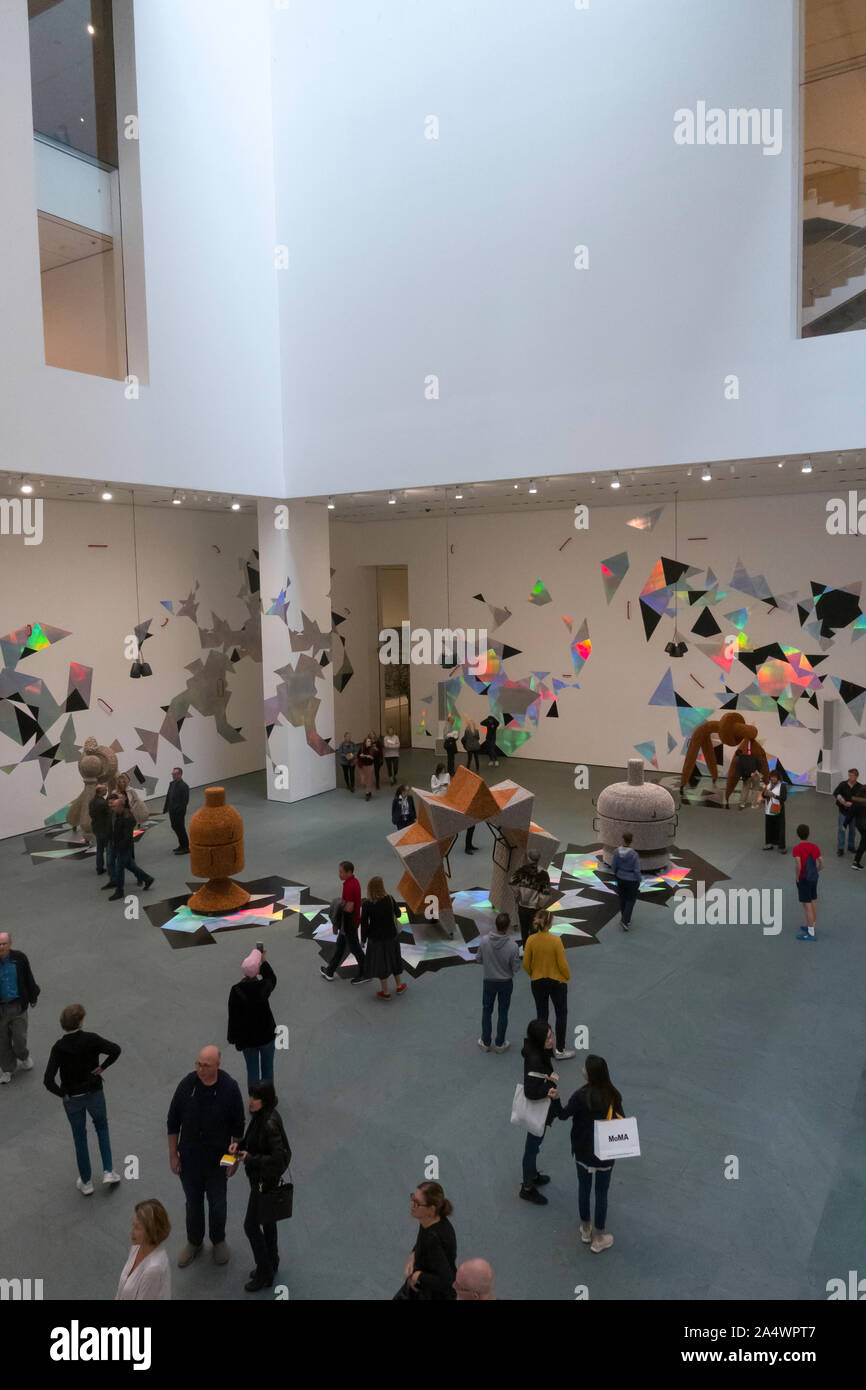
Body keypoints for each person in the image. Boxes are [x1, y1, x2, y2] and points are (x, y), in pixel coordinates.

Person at [167, 1045, 245, 1268]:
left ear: (217, 1065)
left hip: (217, 1162)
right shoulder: (187, 1085)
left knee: (218, 1203)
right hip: (190, 1160)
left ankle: (218, 1240)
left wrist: (234, 1160)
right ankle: (194, 1242)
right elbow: (173, 1123)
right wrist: (173, 1154)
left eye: (205, 1065)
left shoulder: (230, 1088)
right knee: (193, 1204)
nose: (200, 1069)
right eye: (198, 1064)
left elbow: (238, 1129)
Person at [43, 1003, 122, 1193]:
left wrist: (64, 1094)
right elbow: (115, 1049)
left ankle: (86, 1182)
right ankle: (109, 1171)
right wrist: (102, 1067)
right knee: (102, 1127)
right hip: (94, 1092)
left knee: (79, 1137)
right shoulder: (91, 1039)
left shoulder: (59, 1047)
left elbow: (48, 1080)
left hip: (73, 1098)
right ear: (80, 1022)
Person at [550, 1054, 624, 1252]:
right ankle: (599, 1237)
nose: (582, 1069)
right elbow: (620, 1119)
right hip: (605, 1154)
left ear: (590, 1075)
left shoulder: (580, 1096)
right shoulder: (613, 1096)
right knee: (601, 1193)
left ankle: (585, 1228)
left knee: (584, 1188)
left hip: (582, 1151)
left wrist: (556, 1100)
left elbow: (563, 1115)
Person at [230, 1080, 291, 1293]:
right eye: (251, 1096)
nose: (251, 1101)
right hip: (263, 1180)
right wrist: (240, 1146)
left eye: (255, 1097)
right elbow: (252, 1140)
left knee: (251, 1226)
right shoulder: (262, 1117)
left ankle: (264, 1272)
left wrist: (250, 1159)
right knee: (268, 1221)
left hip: (264, 1182)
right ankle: (271, 1262)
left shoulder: (268, 1123)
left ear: (264, 1099)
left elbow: (277, 1159)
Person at [523, 910, 574, 1060]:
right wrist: (567, 977)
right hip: (557, 982)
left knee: (542, 1015)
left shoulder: (531, 940)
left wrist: (533, 974)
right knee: (561, 1014)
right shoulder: (556, 941)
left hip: (537, 982)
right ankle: (560, 1049)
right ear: (549, 924)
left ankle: (543, 1049)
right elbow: (562, 964)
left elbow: (526, 964)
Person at [518, 1019, 558, 1205]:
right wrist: (550, 1084)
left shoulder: (535, 1052)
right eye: (548, 1037)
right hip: (538, 1112)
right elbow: (530, 1091)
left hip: (540, 1111)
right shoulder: (535, 1059)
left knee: (534, 1146)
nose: (552, 1040)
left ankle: (532, 1175)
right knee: (532, 1148)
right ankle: (527, 1187)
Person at [397, 1181, 457, 1300]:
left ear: (431, 1209)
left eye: (417, 1203)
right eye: (413, 1199)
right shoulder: (427, 1221)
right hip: (422, 1287)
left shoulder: (433, 1238)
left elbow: (446, 1280)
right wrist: (413, 1256)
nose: (412, 1206)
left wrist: (418, 1276)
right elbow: (421, 1244)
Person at [227, 947, 277, 1084]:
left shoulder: (236, 990)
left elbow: (233, 1016)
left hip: (247, 1039)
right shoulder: (264, 986)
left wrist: (233, 1037)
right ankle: (268, 1099)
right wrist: (264, 961)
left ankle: (254, 1100)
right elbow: (272, 978)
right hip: (266, 1036)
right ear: (257, 972)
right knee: (268, 1068)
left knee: (252, 1070)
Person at [0, 931, 40, 1085]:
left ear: (10, 944)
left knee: (19, 1039)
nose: (1, 946)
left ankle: (23, 1056)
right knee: (2, 1042)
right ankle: (7, 1069)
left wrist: (33, 997)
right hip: (1, 1010)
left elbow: (29, 978)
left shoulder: (20, 958)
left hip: (18, 1007)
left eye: (4, 943)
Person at [478, 912, 520, 1052]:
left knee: (486, 1010)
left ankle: (485, 1042)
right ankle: (500, 1043)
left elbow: (479, 959)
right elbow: (516, 968)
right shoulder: (513, 946)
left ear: (495, 924)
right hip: (506, 983)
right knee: (503, 1012)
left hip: (489, 981)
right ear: (507, 927)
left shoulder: (484, 941)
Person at [116, 1200, 172, 1300]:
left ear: (151, 1231)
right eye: (133, 1225)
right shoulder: (137, 1247)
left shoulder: (153, 1270)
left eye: (137, 1227)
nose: (131, 1231)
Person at [361, 876, 407, 999]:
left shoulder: (366, 904)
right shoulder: (390, 899)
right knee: (394, 959)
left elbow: (364, 924)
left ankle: (385, 992)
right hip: (391, 936)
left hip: (376, 939)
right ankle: (399, 986)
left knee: (381, 963)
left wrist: (363, 940)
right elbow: (398, 914)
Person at [320, 861, 366, 983]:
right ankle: (330, 971)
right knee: (340, 946)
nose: (339, 874)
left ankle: (366, 973)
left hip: (349, 923)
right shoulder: (352, 882)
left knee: (355, 948)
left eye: (341, 872)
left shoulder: (350, 886)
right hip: (348, 923)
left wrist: (337, 904)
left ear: (349, 872)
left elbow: (350, 907)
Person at [106, 791, 154, 900]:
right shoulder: (115, 814)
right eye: (112, 806)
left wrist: (118, 846)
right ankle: (147, 879)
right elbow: (112, 829)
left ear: (120, 806)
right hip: (117, 845)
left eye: (114, 806)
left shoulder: (127, 817)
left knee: (119, 868)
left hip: (124, 847)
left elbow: (127, 836)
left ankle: (119, 891)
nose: (112, 808)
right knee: (130, 865)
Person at [510, 851, 553, 948]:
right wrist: (540, 903)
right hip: (535, 908)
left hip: (522, 906)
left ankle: (526, 948)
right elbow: (546, 892)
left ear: (529, 858)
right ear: (538, 859)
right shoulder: (543, 874)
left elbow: (512, 882)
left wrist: (518, 894)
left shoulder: (521, 871)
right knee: (534, 930)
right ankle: (533, 949)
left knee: (524, 929)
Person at [792, 823, 822, 941]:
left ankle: (811, 933)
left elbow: (798, 865)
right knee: (813, 899)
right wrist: (817, 870)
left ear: (798, 835)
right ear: (808, 834)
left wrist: (797, 877)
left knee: (807, 905)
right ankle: (812, 925)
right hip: (814, 877)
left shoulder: (797, 849)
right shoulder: (815, 847)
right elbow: (821, 862)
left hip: (804, 878)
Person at [611, 831, 641, 932]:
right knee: (630, 901)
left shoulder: (616, 852)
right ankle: (625, 921)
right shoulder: (634, 855)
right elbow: (636, 870)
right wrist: (639, 879)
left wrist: (616, 874)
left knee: (622, 899)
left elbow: (613, 866)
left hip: (620, 878)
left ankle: (623, 918)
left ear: (623, 839)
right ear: (631, 841)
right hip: (632, 880)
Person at [833, 768, 863, 857]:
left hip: (853, 813)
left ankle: (851, 846)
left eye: (852, 776)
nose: (850, 777)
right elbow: (836, 793)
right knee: (842, 829)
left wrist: (853, 803)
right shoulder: (843, 784)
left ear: (857, 776)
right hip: (843, 812)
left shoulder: (860, 787)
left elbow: (862, 800)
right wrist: (842, 801)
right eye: (849, 775)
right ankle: (841, 848)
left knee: (852, 830)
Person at [163, 766, 190, 853]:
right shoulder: (172, 784)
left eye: (175, 774)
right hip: (172, 811)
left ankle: (185, 847)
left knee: (180, 828)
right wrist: (166, 808)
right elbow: (168, 796)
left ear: (180, 774)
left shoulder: (184, 786)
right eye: (172, 774)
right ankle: (181, 845)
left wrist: (179, 811)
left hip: (179, 812)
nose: (173, 775)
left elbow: (185, 801)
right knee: (175, 827)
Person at [760, 768, 787, 852]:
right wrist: (764, 794)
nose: (773, 779)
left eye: (774, 777)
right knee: (769, 827)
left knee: (780, 828)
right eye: (771, 777)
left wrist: (774, 796)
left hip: (777, 808)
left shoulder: (782, 786)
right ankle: (769, 844)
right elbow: (764, 796)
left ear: (778, 778)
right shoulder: (768, 785)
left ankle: (781, 846)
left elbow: (783, 798)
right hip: (768, 809)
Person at [89, 785, 112, 877]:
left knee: (100, 849)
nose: (106, 790)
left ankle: (99, 868)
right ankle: (111, 868)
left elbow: (91, 814)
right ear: (100, 791)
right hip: (104, 829)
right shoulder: (103, 803)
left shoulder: (92, 802)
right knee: (109, 849)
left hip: (96, 828)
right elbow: (109, 815)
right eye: (105, 790)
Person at [730, 738, 758, 809]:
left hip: (747, 777)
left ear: (737, 755)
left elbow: (740, 772)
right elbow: (759, 763)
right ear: (742, 752)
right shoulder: (750, 757)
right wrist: (755, 771)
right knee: (755, 790)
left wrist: (748, 775)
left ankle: (742, 804)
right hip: (755, 775)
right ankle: (753, 805)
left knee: (745, 789)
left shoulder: (739, 762)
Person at [357, 737, 376, 801]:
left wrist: (365, 755)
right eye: (368, 741)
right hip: (362, 767)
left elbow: (372, 757)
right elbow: (358, 756)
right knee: (363, 781)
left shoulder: (372, 749)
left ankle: (367, 793)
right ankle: (369, 791)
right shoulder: (361, 748)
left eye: (370, 741)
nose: (369, 742)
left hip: (370, 766)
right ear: (365, 742)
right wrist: (360, 756)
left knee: (369, 780)